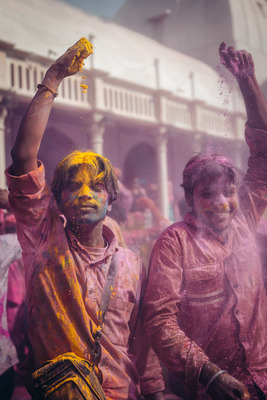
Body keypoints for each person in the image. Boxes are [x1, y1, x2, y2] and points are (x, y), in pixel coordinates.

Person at [5, 38, 164, 400]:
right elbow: (23, 156)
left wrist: (154, 393)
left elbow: (143, 348)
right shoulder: (43, 242)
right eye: (73, 187)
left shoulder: (132, 266)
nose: (85, 195)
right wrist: (53, 78)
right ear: (57, 200)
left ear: (112, 199)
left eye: (96, 187)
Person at [142, 42, 267, 400]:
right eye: (207, 194)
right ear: (190, 200)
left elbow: (265, 152)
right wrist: (210, 376)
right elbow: (159, 321)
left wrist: (247, 81)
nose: (221, 203)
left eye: (227, 191)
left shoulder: (244, 216)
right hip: (209, 391)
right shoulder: (174, 243)